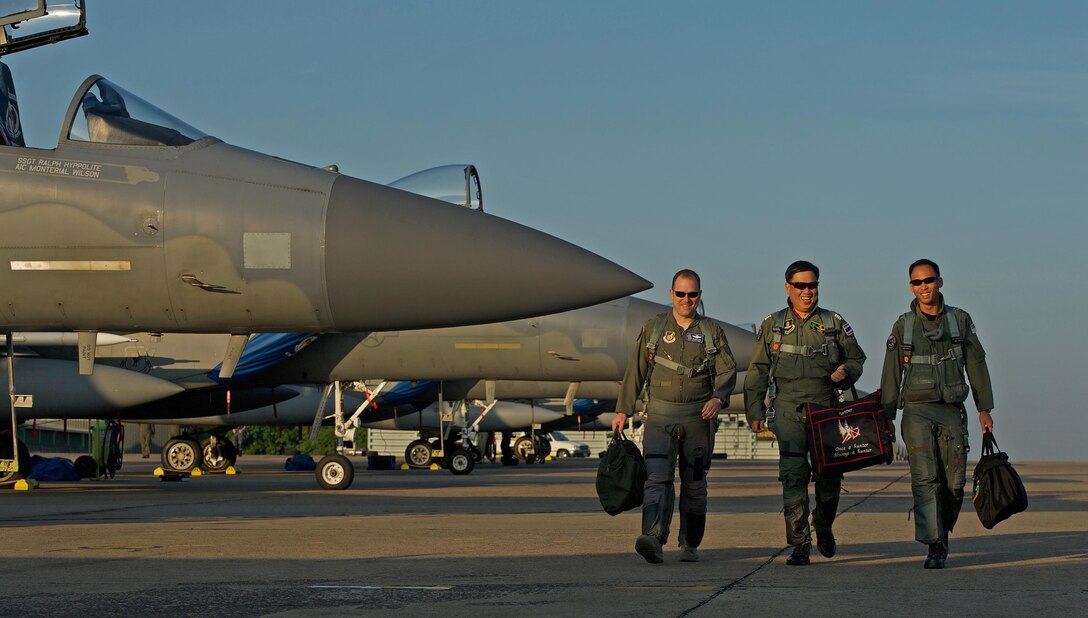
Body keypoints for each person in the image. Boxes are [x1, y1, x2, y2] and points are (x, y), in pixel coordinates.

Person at [743, 261, 865, 566]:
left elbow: (857, 358)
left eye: (812, 285)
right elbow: (758, 370)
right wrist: (754, 409)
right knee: (793, 477)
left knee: (829, 478)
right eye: (800, 286)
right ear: (788, 288)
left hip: (825, 409)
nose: (807, 291)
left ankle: (823, 525)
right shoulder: (772, 325)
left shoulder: (833, 323)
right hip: (788, 410)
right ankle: (799, 542)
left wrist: (846, 372)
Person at [612, 269, 737, 564]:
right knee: (656, 478)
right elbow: (636, 370)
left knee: (694, 482)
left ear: (699, 296)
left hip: (697, 417)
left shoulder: (711, 332)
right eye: (680, 294)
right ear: (671, 294)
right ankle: (653, 538)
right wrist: (622, 409)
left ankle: (690, 543)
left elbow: (728, 371)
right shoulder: (655, 328)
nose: (686, 300)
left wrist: (718, 398)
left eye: (692, 294)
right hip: (660, 414)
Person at [880, 259, 993, 569]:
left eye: (928, 280)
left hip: (952, 411)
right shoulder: (903, 326)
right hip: (916, 412)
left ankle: (943, 532)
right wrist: (886, 417)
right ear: (911, 287)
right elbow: (891, 373)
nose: (923, 287)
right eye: (917, 282)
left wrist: (985, 409)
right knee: (926, 478)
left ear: (940, 281)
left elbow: (977, 364)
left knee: (955, 483)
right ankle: (934, 543)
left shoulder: (959, 320)